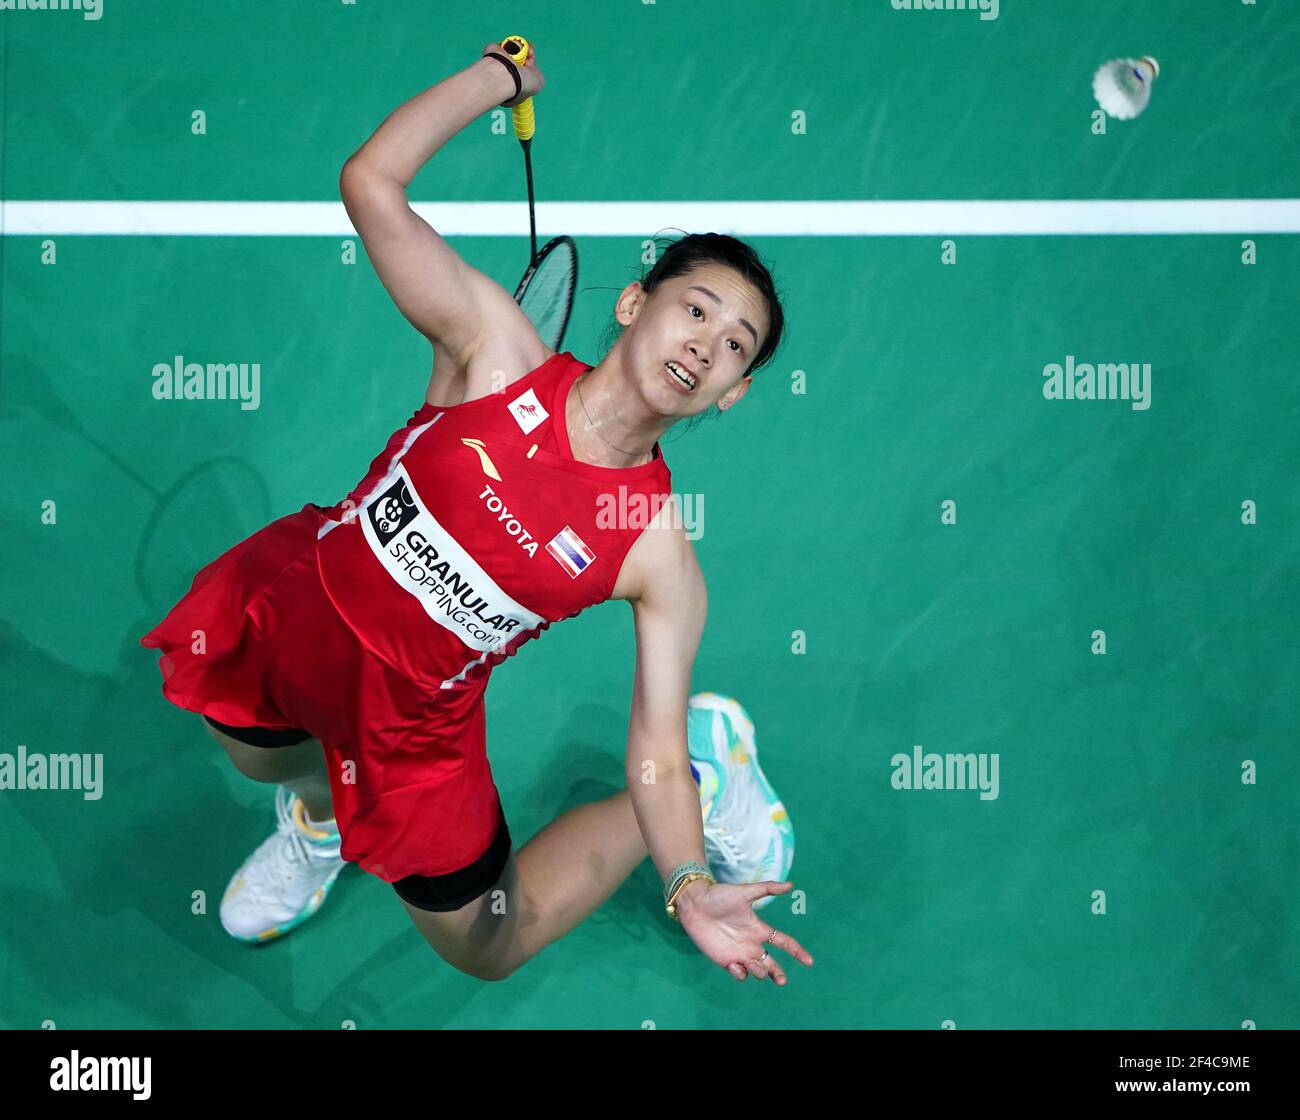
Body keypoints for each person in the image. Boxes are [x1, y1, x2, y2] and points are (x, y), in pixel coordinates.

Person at [140, 41, 814, 987]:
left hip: (415, 735)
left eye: (735, 346)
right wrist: (500, 80)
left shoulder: (655, 549)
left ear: (732, 393)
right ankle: (321, 820)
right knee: (255, 752)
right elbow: (372, 183)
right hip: (296, 605)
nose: (707, 347)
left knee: (491, 942)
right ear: (633, 302)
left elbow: (648, 743)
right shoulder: (494, 351)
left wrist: (690, 880)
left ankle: (719, 774)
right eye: (695, 311)